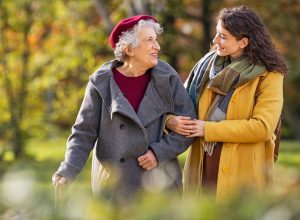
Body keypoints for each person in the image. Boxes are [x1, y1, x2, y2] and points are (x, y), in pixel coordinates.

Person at [52, 15, 196, 201]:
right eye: (149, 40)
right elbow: (83, 133)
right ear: (129, 49)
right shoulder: (101, 83)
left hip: (159, 183)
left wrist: (158, 152)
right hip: (115, 186)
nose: (157, 46)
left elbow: (189, 125)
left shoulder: (167, 77)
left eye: (156, 40)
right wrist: (68, 169)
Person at [165, 6, 288, 199]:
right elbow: (177, 105)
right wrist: (170, 121)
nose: (215, 41)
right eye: (216, 34)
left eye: (223, 36)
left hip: (243, 173)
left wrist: (207, 129)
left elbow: (262, 127)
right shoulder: (205, 68)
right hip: (201, 167)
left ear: (243, 42)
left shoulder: (269, 75)